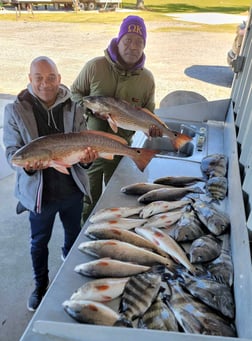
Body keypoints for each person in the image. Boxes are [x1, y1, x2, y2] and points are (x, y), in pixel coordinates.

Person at [3, 56, 98, 312]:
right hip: (39, 196)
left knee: (73, 235)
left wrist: (88, 159)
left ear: (59, 78)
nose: (45, 84)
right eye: (39, 78)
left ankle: (72, 270)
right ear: (30, 79)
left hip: (71, 190)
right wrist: (28, 167)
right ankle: (41, 285)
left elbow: (84, 150)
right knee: (38, 243)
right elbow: (12, 153)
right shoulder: (14, 110)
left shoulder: (74, 108)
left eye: (51, 77)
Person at [71, 15, 162, 223]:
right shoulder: (95, 66)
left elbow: (149, 113)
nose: (132, 46)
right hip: (88, 149)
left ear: (144, 46)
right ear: (118, 40)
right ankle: (83, 239)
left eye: (139, 42)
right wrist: (88, 110)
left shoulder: (147, 79)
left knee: (118, 197)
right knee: (88, 197)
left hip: (122, 148)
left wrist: (152, 129)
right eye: (127, 39)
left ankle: (112, 235)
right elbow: (74, 93)